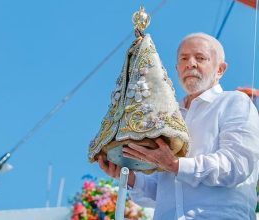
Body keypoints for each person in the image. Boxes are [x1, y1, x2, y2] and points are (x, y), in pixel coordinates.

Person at [98, 33, 259, 219]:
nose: (190, 63)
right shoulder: (168, 116)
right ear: (177, 68)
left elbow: (236, 165)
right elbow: (162, 190)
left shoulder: (235, 102)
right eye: (184, 58)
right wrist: (129, 176)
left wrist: (176, 165)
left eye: (200, 58)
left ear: (220, 69)